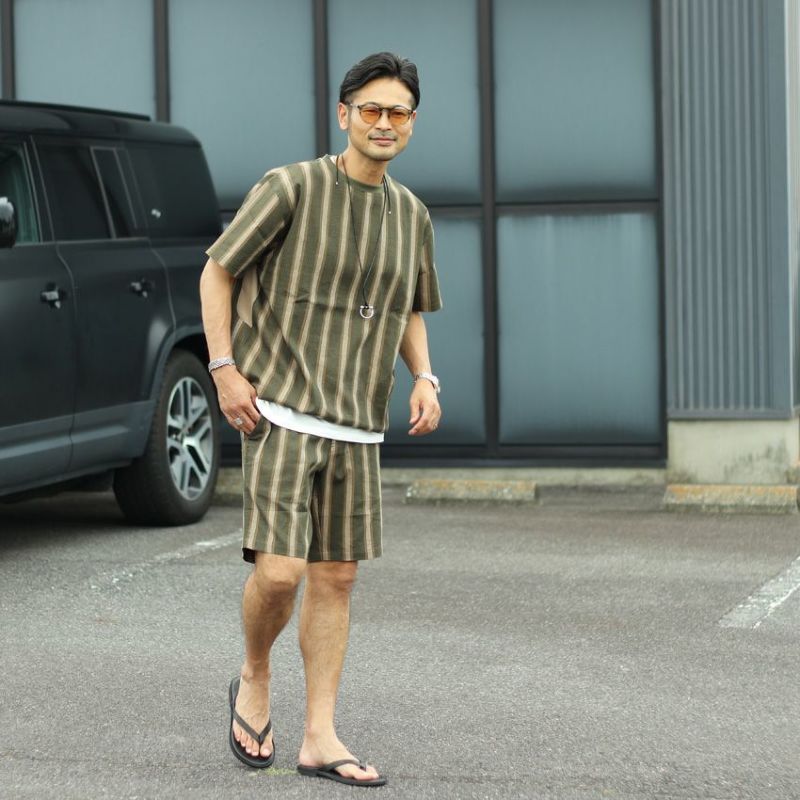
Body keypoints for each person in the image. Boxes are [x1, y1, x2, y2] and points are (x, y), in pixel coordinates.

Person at [199, 52, 442, 787]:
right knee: (279, 574)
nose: (384, 122)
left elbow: (407, 306)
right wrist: (223, 368)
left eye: (398, 112)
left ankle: (319, 736)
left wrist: (424, 376)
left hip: (357, 426)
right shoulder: (292, 187)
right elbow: (218, 269)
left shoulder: (412, 214)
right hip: (278, 412)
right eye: (371, 109)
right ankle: (254, 673)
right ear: (344, 114)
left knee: (335, 578)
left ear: (412, 122)